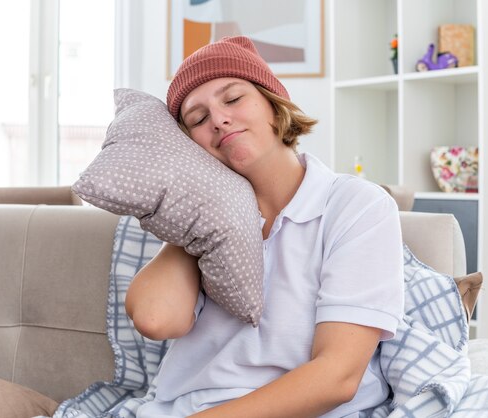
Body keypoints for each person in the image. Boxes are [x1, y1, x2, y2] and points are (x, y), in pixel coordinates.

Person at [125, 36, 404, 418]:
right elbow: (156, 318)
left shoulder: (356, 206)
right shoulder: (202, 220)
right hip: (183, 407)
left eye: (233, 99)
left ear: (273, 104)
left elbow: (337, 376)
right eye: (198, 119)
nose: (219, 120)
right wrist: (201, 209)